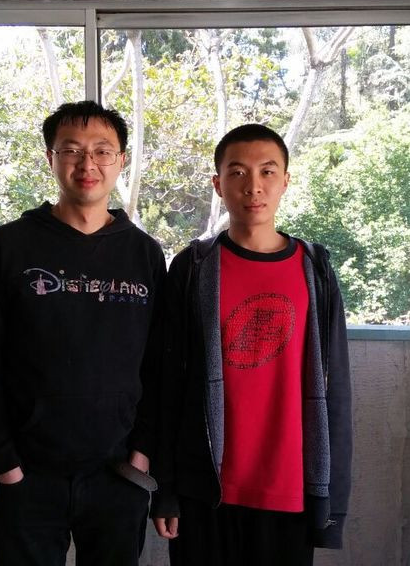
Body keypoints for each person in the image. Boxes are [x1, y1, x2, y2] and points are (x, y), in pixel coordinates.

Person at [0, 100, 165, 566]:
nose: (87, 163)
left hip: (118, 474)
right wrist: (4, 462)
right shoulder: (8, 246)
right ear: (50, 158)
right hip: (28, 474)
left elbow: (159, 365)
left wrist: (142, 453)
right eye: (71, 150)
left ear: (121, 160)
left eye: (102, 151)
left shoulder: (144, 254)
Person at [150, 124, 352, 565]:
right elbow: (167, 383)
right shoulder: (193, 267)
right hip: (206, 488)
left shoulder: (314, 269)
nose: (253, 186)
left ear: (286, 181)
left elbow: (335, 389)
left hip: (289, 488)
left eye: (267, 171)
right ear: (218, 183)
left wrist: (333, 501)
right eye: (238, 172)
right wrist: (166, 488)